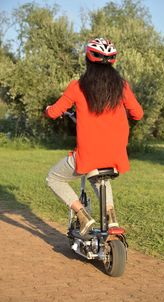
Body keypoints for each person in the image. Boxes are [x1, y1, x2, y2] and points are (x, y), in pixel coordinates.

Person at [45, 38, 144, 236]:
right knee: (100, 177)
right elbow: (138, 114)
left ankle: (82, 216)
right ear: (112, 61)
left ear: (88, 60)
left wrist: (48, 109)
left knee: (53, 179)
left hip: (88, 154)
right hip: (116, 154)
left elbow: (54, 112)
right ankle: (112, 219)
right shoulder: (122, 87)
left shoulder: (77, 87)